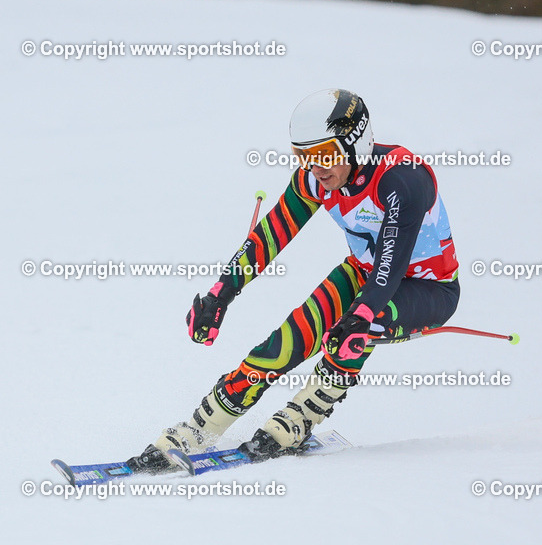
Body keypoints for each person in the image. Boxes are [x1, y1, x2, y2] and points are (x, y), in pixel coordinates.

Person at [129, 89, 460, 470]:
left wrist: (361, 315)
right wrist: (221, 295)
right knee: (286, 342)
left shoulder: (402, 179)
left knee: (355, 330)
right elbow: (270, 236)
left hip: (427, 288)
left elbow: (392, 263)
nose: (315, 168)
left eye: (323, 154)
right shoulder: (317, 180)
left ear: (356, 144)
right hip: (365, 275)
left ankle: (303, 414)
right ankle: (201, 427)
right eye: (304, 156)